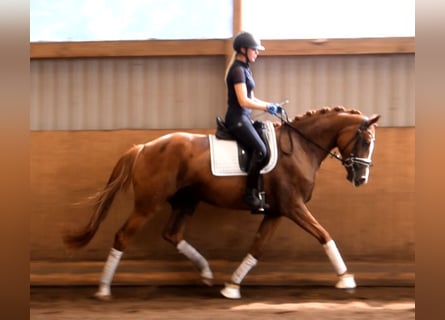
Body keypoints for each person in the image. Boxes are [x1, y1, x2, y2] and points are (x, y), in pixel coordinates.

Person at [224, 31, 281, 211]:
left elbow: (253, 99)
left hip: (245, 118)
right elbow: (243, 101)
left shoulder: (246, 70)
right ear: (243, 49)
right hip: (237, 119)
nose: (257, 52)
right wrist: (266, 108)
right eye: (254, 50)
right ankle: (250, 194)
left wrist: (271, 105)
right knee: (261, 150)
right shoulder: (237, 70)